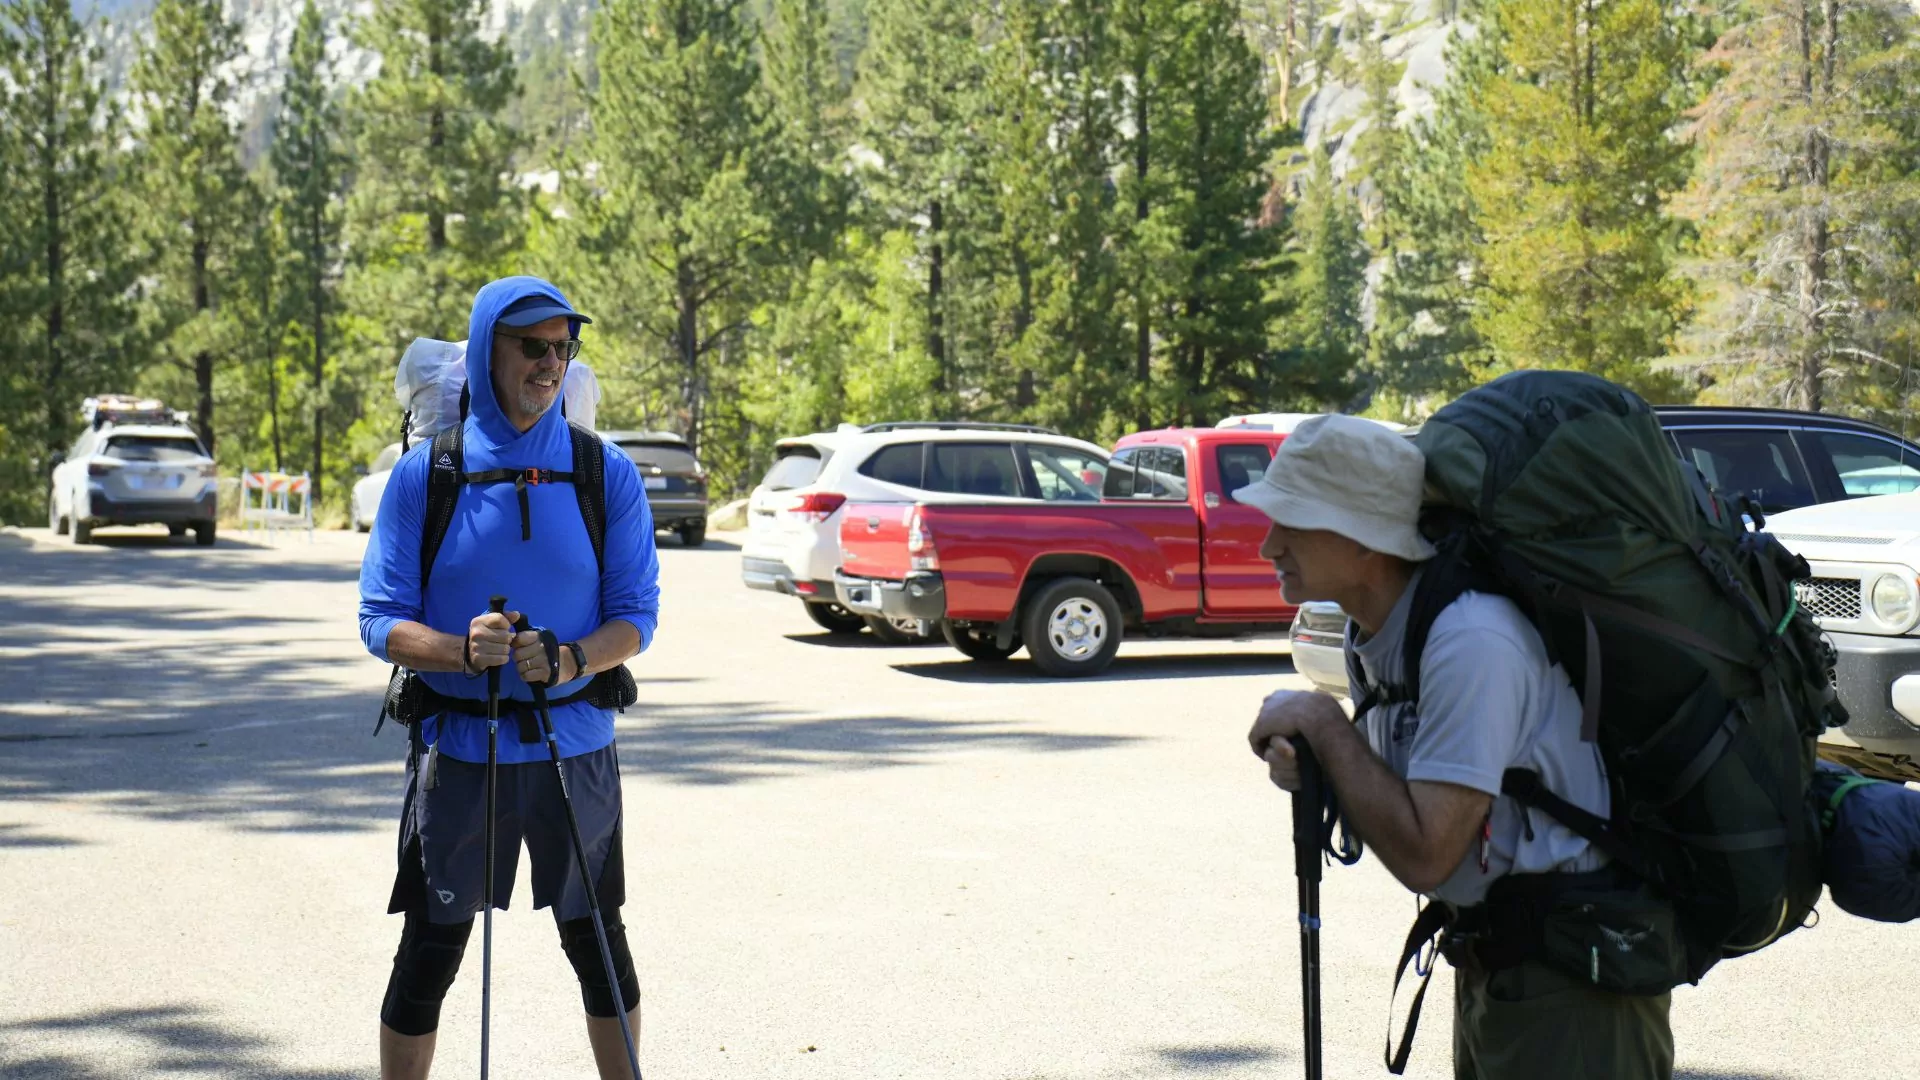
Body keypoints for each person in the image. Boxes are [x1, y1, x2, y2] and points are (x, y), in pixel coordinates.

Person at [1236, 415, 1672, 1080]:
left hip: (1575, 984)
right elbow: (1403, 795)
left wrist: (1324, 725)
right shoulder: (1376, 630)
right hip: (1502, 960)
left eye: (1292, 521)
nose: (1269, 545)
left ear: (1365, 540)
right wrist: (1323, 764)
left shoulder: (1470, 639)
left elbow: (1427, 853)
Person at [358, 276, 660, 1080]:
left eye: (562, 347)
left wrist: (570, 659)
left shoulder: (603, 471)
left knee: (600, 948)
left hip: (576, 743)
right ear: (487, 347)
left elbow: (637, 616)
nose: (549, 362)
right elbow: (379, 619)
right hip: (461, 748)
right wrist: (460, 651)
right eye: (531, 345)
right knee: (429, 952)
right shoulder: (429, 474)